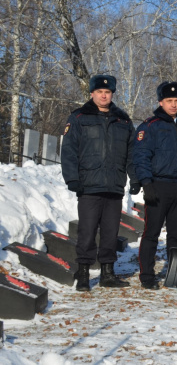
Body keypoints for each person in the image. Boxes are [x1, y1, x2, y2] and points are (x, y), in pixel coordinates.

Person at [61, 74, 137, 291]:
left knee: (111, 233)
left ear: (112, 94)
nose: (104, 96)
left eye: (107, 92)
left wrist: (135, 178)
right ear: (92, 93)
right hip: (89, 186)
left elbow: (132, 154)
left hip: (114, 185)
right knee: (87, 232)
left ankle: (108, 273)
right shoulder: (79, 117)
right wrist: (72, 178)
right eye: (100, 92)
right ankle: (84, 274)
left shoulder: (123, 121)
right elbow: (69, 150)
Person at [133, 81, 177, 290]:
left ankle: (175, 273)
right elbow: (141, 156)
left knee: (176, 235)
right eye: (169, 100)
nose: (173, 104)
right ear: (160, 102)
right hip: (158, 185)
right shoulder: (150, 126)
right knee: (152, 233)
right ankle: (147, 275)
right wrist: (146, 183)